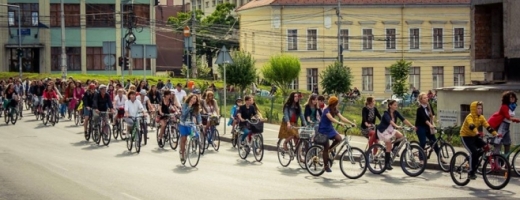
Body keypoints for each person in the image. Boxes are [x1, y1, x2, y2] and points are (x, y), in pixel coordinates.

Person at [460, 101, 499, 180]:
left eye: (481, 108)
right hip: (465, 136)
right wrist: (477, 132)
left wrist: (495, 133)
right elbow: (471, 125)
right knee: (474, 152)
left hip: (475, 136)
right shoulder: (469, 117)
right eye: (478, 108)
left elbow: (487, 126)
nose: (480, 110)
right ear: (474, 109)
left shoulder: (481, 117)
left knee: (486, 147)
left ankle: (473, 160)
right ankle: (471, 172)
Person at [317, 96, 356, 172]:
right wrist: (339, 123)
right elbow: (331, 118)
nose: (338, 105)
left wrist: (351, 123)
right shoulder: (326, 110)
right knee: (326, 146)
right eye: (337, 103)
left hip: (330, 128)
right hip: (323, 129)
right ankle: (325, 166)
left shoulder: (334, 109)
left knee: (339, 139)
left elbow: (342, 118)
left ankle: (328, 150)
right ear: (334, 103)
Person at [376, 100, 415, 170]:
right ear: (390, 106)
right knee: (389, 145)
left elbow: (404, 120)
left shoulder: (396, 113)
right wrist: (396, 126)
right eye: (394, 105)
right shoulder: (386, 113)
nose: (396, 106)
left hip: (390, 130)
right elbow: (390, 121)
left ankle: (394, 149)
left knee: (401, 136)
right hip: (383, 131)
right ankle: (387, 164)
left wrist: (412, 126)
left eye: (396, 105)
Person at [488, 91, 520, 159]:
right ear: (507, 98)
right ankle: (496, 162)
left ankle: (506, 162)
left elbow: (510, 118)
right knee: (498, 143)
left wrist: (515, 120)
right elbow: (508, 117)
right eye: (510, 97)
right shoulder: (504, 106)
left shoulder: (512, 106)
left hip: (507, 126)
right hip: (501, 126)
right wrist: (516, 120)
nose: (512, 98)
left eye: (513, 97)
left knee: (507, 143)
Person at [415, 93, 445, 163]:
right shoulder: (419, 109)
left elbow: (433, 114)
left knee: (434, 142)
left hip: (428, 127)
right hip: (420, 127)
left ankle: (440, 158)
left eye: (426, 97)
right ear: (421, 100)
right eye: (424, 98)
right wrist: (430, 124)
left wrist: (433, 119)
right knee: (423, 142)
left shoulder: (429, 106)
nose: (426, 99)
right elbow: (424, 119)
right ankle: (421, 158)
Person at [178, 94, 202, 162]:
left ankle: (193, 144)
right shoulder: (185, 104)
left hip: (190, 124)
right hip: (183, 123)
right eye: (192, 98)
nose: (193, 100)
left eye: (195, 99)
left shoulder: (196, 106)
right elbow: (184, 114)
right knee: (184, 139)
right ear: (190, 98)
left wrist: (200, 122)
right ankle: (182, 154)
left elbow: (198, 115)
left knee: (193, 134)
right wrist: (189, 106)